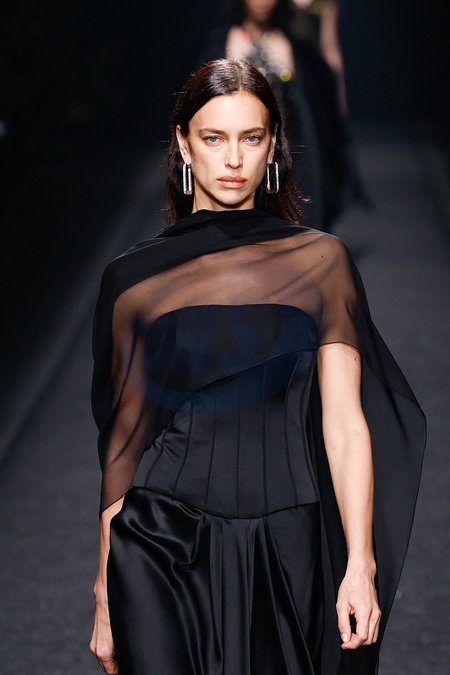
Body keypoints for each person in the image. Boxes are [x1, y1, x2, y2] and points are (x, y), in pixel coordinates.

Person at [89, 59, 425, 675]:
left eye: (250, 137)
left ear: (273, 146)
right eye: (214, 138)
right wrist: (104, 593)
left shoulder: (321, 263)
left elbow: (346, 424)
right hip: (160, 543)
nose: (233, 159)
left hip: (286, 542)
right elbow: (121, 449)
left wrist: (361, 563)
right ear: (183, 145)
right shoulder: (133, 281)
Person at [196, 0, 357, 231]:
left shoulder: (298, 52)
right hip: (239, 160)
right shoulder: (218, 48)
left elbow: (314, 115)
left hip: (291, 159)